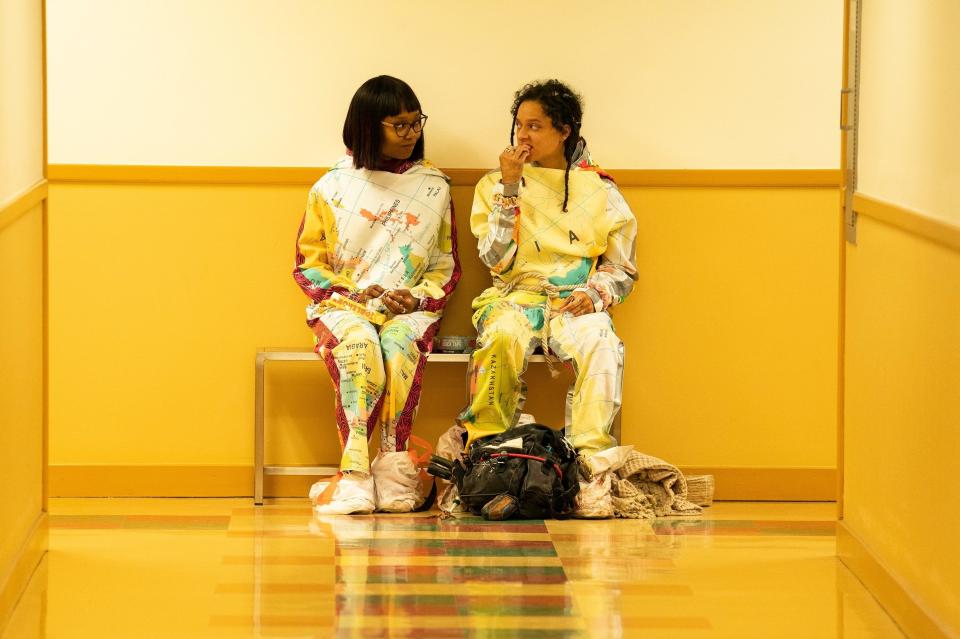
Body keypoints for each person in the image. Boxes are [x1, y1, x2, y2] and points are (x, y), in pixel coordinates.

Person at [293, 75, 460, 514]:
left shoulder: (434, 187)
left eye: (415, 123)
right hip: (343, 306)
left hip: (410, 309)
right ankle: (354, 472)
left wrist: (418, 298)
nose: (411, 134)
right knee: (361, 348)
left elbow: (445, 265)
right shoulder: (331, 186)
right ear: (368, 126)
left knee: (399, 345)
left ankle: (394, 470)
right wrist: (353, 293)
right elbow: (309, 266)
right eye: (398, 125)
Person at [458, 79, 637, 467]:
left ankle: (590, 462)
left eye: (535, 126)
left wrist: (594, 294)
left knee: (602, 343)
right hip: (515, 297)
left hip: (574, 300)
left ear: (564, 131)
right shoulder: (495, 183)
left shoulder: (600, 189)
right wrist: (509, 186)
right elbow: (495, 259)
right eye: (519, 125)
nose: (523, 135)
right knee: (501, 336)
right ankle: (488, 451)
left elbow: (621, 267)